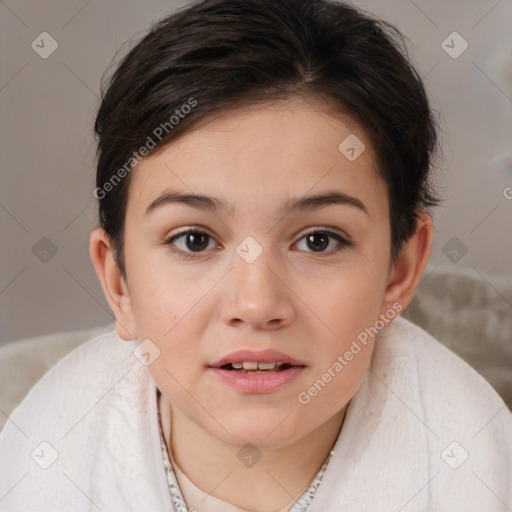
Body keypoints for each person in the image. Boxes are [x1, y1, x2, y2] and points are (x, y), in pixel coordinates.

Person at [1, 0, 510, 511]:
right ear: (119, 283)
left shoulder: (478, 476)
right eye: (194, 240)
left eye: (319, 240)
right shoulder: (40, 465)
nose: (257, 303)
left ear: (398, 271)